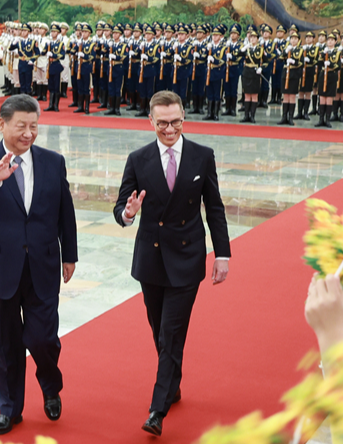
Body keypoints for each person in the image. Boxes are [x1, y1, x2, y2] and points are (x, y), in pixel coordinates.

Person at [0, 94, 78, 435]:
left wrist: (69, 254)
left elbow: (64, 213)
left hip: (43, 264)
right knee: (6, 344)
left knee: (41, 338)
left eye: (34, 126)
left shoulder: (53, 162)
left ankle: (51, 386)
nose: (28, 133)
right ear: (2, 125)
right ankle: (10, 408)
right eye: (21, 126)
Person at [113, 90, 231, 436]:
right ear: (150, 121)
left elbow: (215, 208)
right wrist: (127, 213)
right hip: (150, 257)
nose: (169, 129)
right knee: (159, 331)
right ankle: (173, 382)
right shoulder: (138, 159)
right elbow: (122, 205)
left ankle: (157, 409)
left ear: (184, 119)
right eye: (162, 123)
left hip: (186, 255)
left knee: (171, 332)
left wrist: (222, 254)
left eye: (175, 122)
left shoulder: (201, 156)